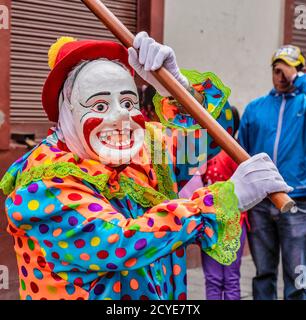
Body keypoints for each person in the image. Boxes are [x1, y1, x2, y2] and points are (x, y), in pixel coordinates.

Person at [0, 32, 291, 300]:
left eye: (128, 103)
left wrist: (179, 89)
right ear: (66, 113)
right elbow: (119, 242)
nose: (121, 117)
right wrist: (223, 200)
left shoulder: (146, 148)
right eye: (99, 106)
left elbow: (212, 138)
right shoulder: (42, 185)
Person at [239, 45, 306, 300]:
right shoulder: (256, 108)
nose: (280, 76)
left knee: (298, 274)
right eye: (276, 70)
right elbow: (242, 153)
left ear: (298, 71)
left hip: (297, 200)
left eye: (286, 70)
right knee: (263, 271)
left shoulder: (304, 103)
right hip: (261, 202)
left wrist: (299, 79)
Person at [201, 106, 249, 300]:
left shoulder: (232, 154)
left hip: (225, 225)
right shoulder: (205, 153)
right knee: (227, 279)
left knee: (220, 279)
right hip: (218, 224)